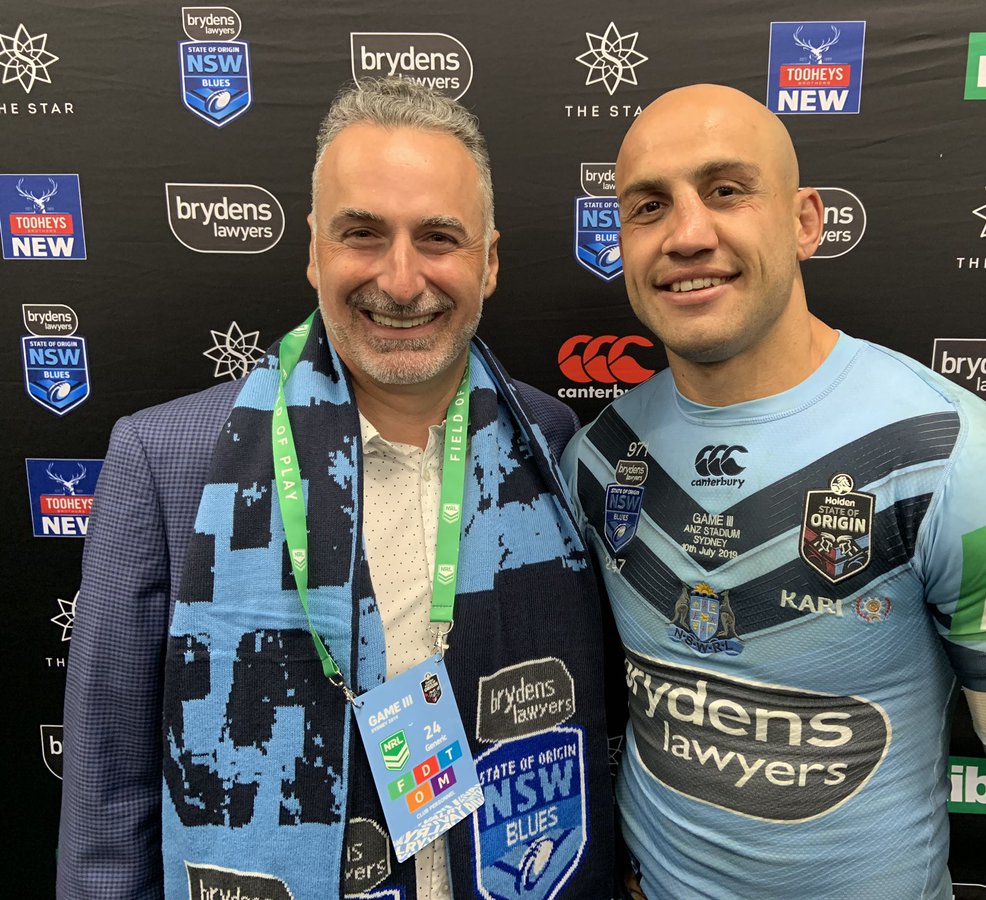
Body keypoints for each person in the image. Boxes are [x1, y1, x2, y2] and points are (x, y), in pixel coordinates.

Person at [561, 83, 986, 899]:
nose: (688, 234)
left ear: (806, 221)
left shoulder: (958, 458)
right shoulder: (598, 456)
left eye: (727, 191)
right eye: (649, 207)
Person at [59, 78, 614, 900]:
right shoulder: (166, 458)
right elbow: (108, 805)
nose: (401, 280)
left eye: (438, 237)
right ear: (315, 250)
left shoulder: (549, 438)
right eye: (363, 234)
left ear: (490, 262)